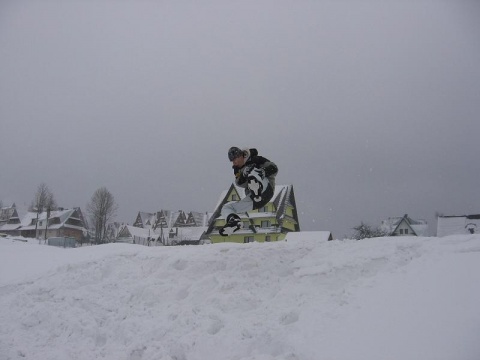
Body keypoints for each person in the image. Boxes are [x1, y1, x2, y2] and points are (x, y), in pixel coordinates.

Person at [219, 147, 278, 236]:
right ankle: (234, 222)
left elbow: (274, 168)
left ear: (241, 155)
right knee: (226, 207)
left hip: (267, 189)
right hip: (255, 200)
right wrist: (243, 175)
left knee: (252, 171)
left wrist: (263, 171)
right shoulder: (237, 169)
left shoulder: (256, 159)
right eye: (232, 160)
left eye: (235, 159)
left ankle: (257, 188)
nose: (234, 162)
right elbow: (239, 183)